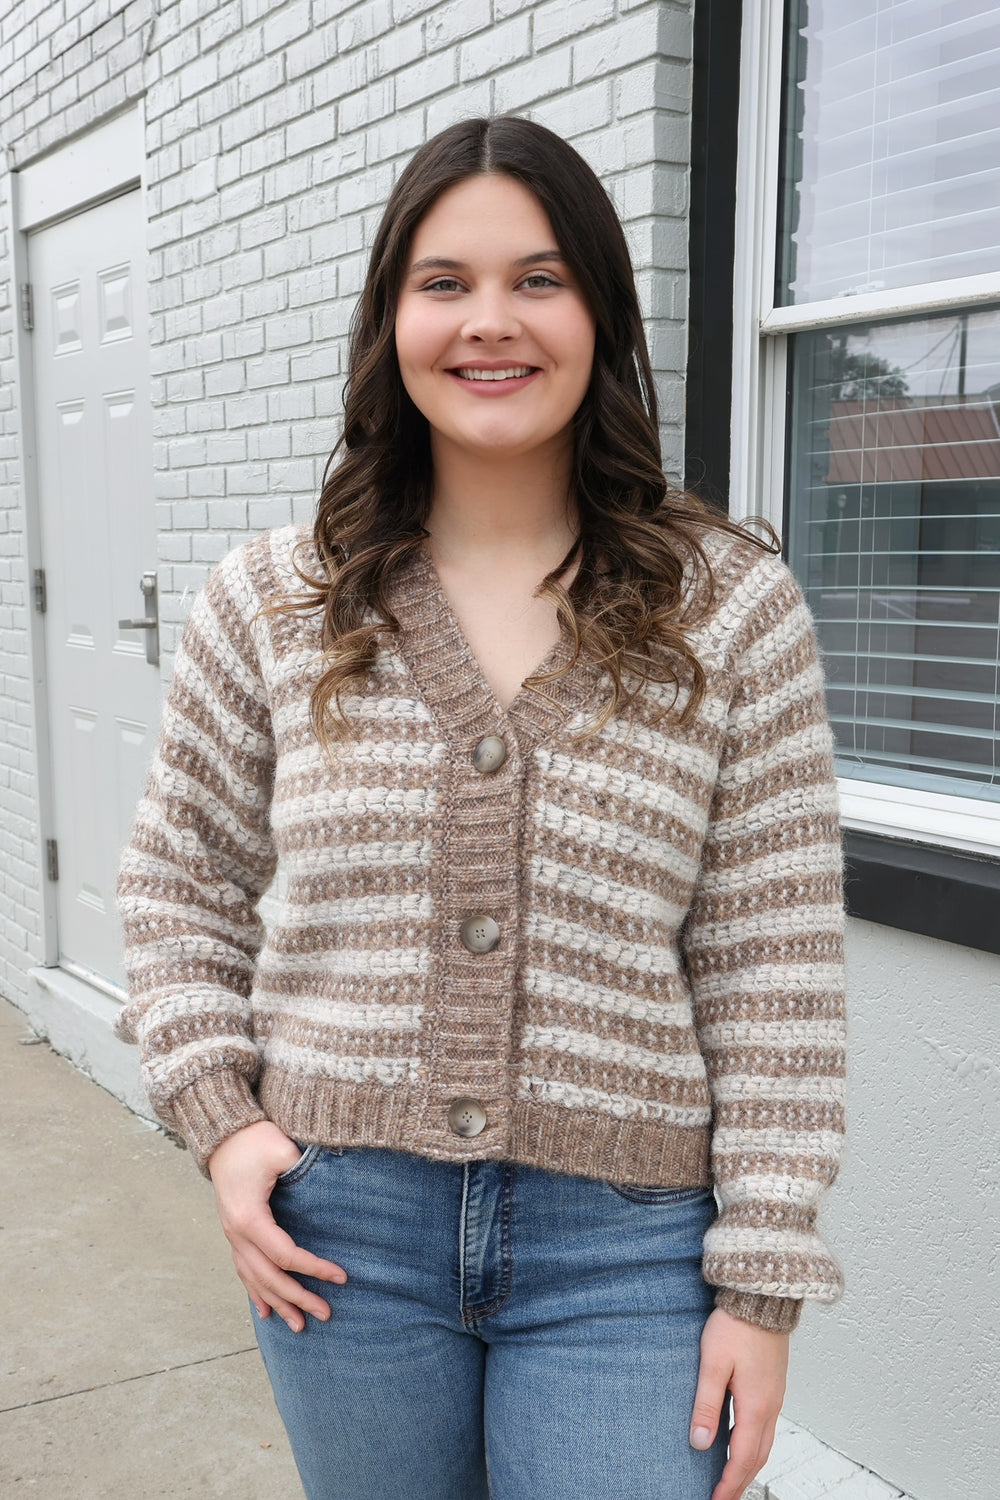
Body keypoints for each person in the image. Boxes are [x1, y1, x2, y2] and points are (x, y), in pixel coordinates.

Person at [116, 116, 846, 1500]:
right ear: (390, 319)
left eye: (539, 279)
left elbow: (773, 963)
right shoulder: (275, 599)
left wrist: (762, 1282)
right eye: (444, 282)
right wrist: (224, 1121)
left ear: (601, 314)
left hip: (628, 1251)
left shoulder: (729, 610)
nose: (490, 321)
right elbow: (178, 883)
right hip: (343, 1233)